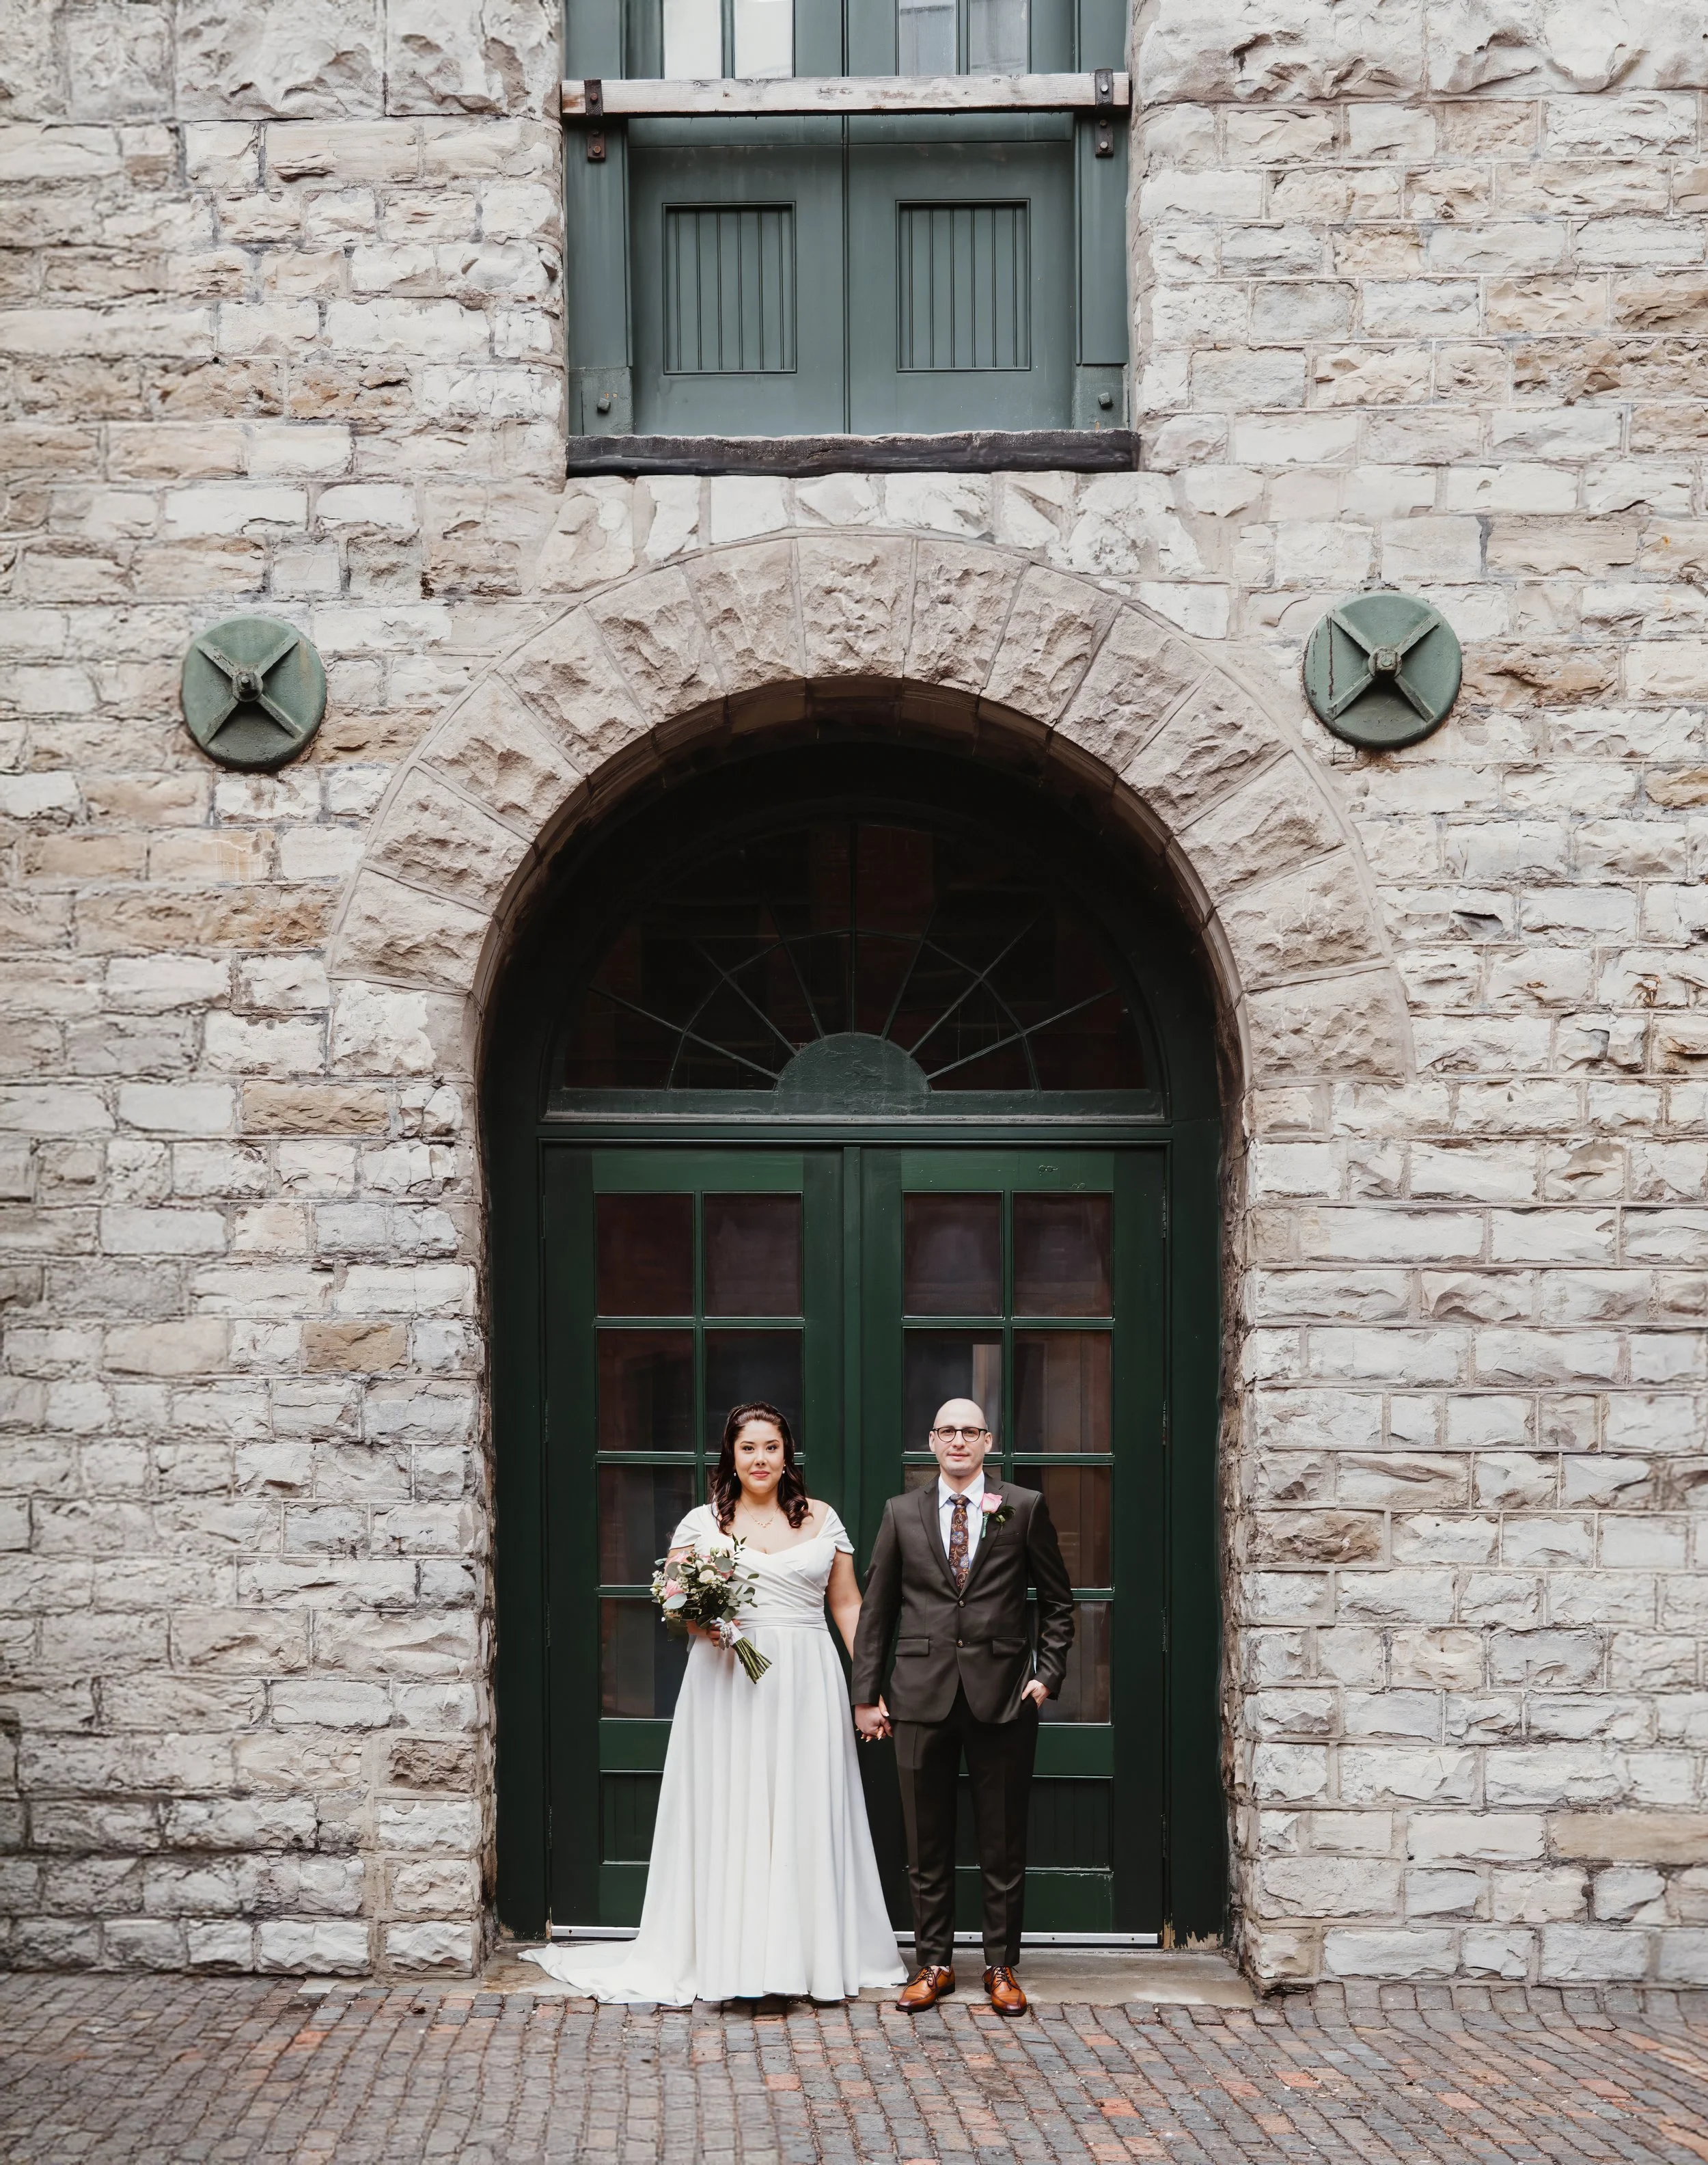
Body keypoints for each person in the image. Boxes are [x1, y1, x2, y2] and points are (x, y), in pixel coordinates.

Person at [525, 1401, 905, 2005]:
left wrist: (870, 1686)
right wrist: (706, 1623)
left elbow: (848, 1606)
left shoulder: (822, 1520)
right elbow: (676, 1607)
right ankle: (737, 1963)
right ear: (731, 1454)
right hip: (729, 1681)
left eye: (772, 1447)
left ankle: (807, 1960)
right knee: (738, 1806)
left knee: (804, 1807)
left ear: (787, 1455)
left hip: (807, 1678)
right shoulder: (703, 1524)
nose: (760, 1458)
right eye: (748, 1447)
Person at [850, 1397, 1074, 2017]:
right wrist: (866, 1696)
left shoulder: (1022, 1508)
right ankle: (935, 1963)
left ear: (987, 1440)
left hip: (1003, 1696)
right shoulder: (901, 1513)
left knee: (1002, 1839)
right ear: (931, 1440)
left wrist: (1047, 1675)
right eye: (947, 1431)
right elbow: (877, 1613)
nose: (957, 1441)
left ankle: (1001, 1965)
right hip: (921, 1696)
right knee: (927, 1841)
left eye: (968, 1431)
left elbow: (1058, 1601)